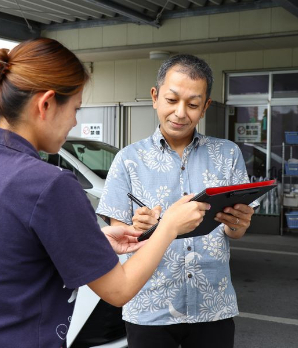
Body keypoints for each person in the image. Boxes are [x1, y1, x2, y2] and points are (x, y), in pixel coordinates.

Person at [0, 39, 210, 348]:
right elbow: (118, 291)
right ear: (47, 103)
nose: (75, 121)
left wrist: (92, 241)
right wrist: (170, 225)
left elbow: (9, 257)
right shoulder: (49, 183)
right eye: (75, 108)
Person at [96, 54, 256, 348]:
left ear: (205, 106)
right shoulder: (128, 160)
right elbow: (121, 239)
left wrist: (238, 224)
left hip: (213, 306)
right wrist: (140, 227)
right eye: (172, 100)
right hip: (149, 308)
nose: (180, 113)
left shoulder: (228, 154)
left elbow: (235, 232)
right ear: (155, 97)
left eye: (193, 104)